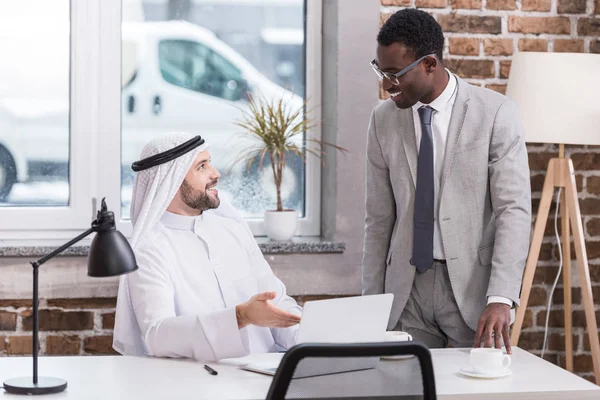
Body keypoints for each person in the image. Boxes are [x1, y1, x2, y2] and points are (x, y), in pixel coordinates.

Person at [362, 8, 531, 353]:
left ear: (429, 64)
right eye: (380, 70)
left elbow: (512, 210)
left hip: (473, 291)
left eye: (394, 74)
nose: (385, 85)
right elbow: (378, 219)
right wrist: (370, 303)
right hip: (406, 292)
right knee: (402, 387)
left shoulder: (496, 113)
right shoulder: (383, 120)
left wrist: (501, 297)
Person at [113, 132, 302, 362]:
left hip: (270, 373)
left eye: (209, 163)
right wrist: (240, 317)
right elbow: (158, 333)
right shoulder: (148, 249)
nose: (216, 174)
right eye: (202, 167)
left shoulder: (232, 230)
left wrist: (314, 345)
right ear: (170, 181)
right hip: (203, 383)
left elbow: (278, 304)